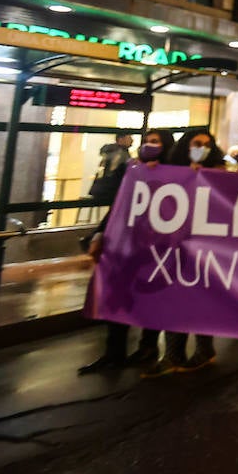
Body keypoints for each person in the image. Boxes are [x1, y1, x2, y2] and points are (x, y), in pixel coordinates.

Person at [80, 131, 168, 374]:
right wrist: (100, 234)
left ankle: (148, 347)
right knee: (118, 296)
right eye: (147, 141)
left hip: (155, 249)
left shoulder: (174, 175)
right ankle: (113, 352)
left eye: (156, 142)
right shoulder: (133, 171)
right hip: (126, 246)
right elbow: (119, 206)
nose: (150, 146)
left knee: (151, 299)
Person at [143, 128, 227, 377]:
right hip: (174, 246)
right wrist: (148, 171)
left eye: (207, 145)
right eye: (197, 143)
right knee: (174, 298)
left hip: (206, 247)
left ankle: (204, 349)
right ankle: (173, 354)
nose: (202, 148)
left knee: (200, 299)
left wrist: (215, 177)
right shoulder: (171, 169)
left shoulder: (219, 171)